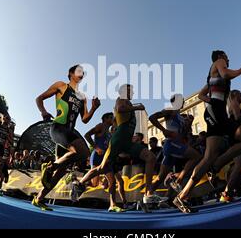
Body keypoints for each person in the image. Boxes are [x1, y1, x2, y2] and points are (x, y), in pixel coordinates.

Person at [174, 50, 241, 213]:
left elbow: (202, 95)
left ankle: (181, 196)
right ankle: (217, 165)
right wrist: (240, 71)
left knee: (208, 157)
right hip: (217, 112)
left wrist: (212, 101)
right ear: (220, 56)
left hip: (215, 111)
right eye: (226, 56)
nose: (228, 59)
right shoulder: (219, 63)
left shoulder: (211, 76)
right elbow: (226, 74)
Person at [72, 84, 166, 212]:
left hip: (126, 142)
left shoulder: (127, 104)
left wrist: (115, 127)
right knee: (101, 168)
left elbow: (116, 121)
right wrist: (138, 107)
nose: (132, 91)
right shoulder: (122, 100)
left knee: (151, 157)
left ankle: (148, 194)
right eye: (130, 90)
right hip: (118, 141)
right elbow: (120, 108)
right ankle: (79, 184)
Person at [32, 65, 101, 211]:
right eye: (78, 71)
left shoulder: (82, 97)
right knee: (83, 152)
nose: (81, 74)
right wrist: (43, 112)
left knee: (61, 171)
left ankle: (39, 198)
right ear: (70, 73)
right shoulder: (61, 86)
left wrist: (94, 108)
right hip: (58, 128)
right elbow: (39, 98)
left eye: (83, 72)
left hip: (69, 132)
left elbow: (85, 119)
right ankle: (50, 167)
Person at [149, 94, 201, 194]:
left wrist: (189, 124)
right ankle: (178, 180)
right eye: (181, 100)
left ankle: (147, 196)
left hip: (175, 146)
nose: (183, 102)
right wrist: (164, 130)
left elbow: (182, 135)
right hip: (171, 144)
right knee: (196, 157)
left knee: (160, 177)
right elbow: (152, 117)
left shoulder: (181, 117)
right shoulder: (170, 110)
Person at [84, 113, 114, 187]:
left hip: (104, 158)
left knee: (112, 182)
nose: (112, 119)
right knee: (94, 183)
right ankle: (78, 182)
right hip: (97, 156)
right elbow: (87, 135)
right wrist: (96, 148)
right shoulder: (101, 126)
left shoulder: (110, 133)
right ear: (105, 119)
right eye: (110, 117)